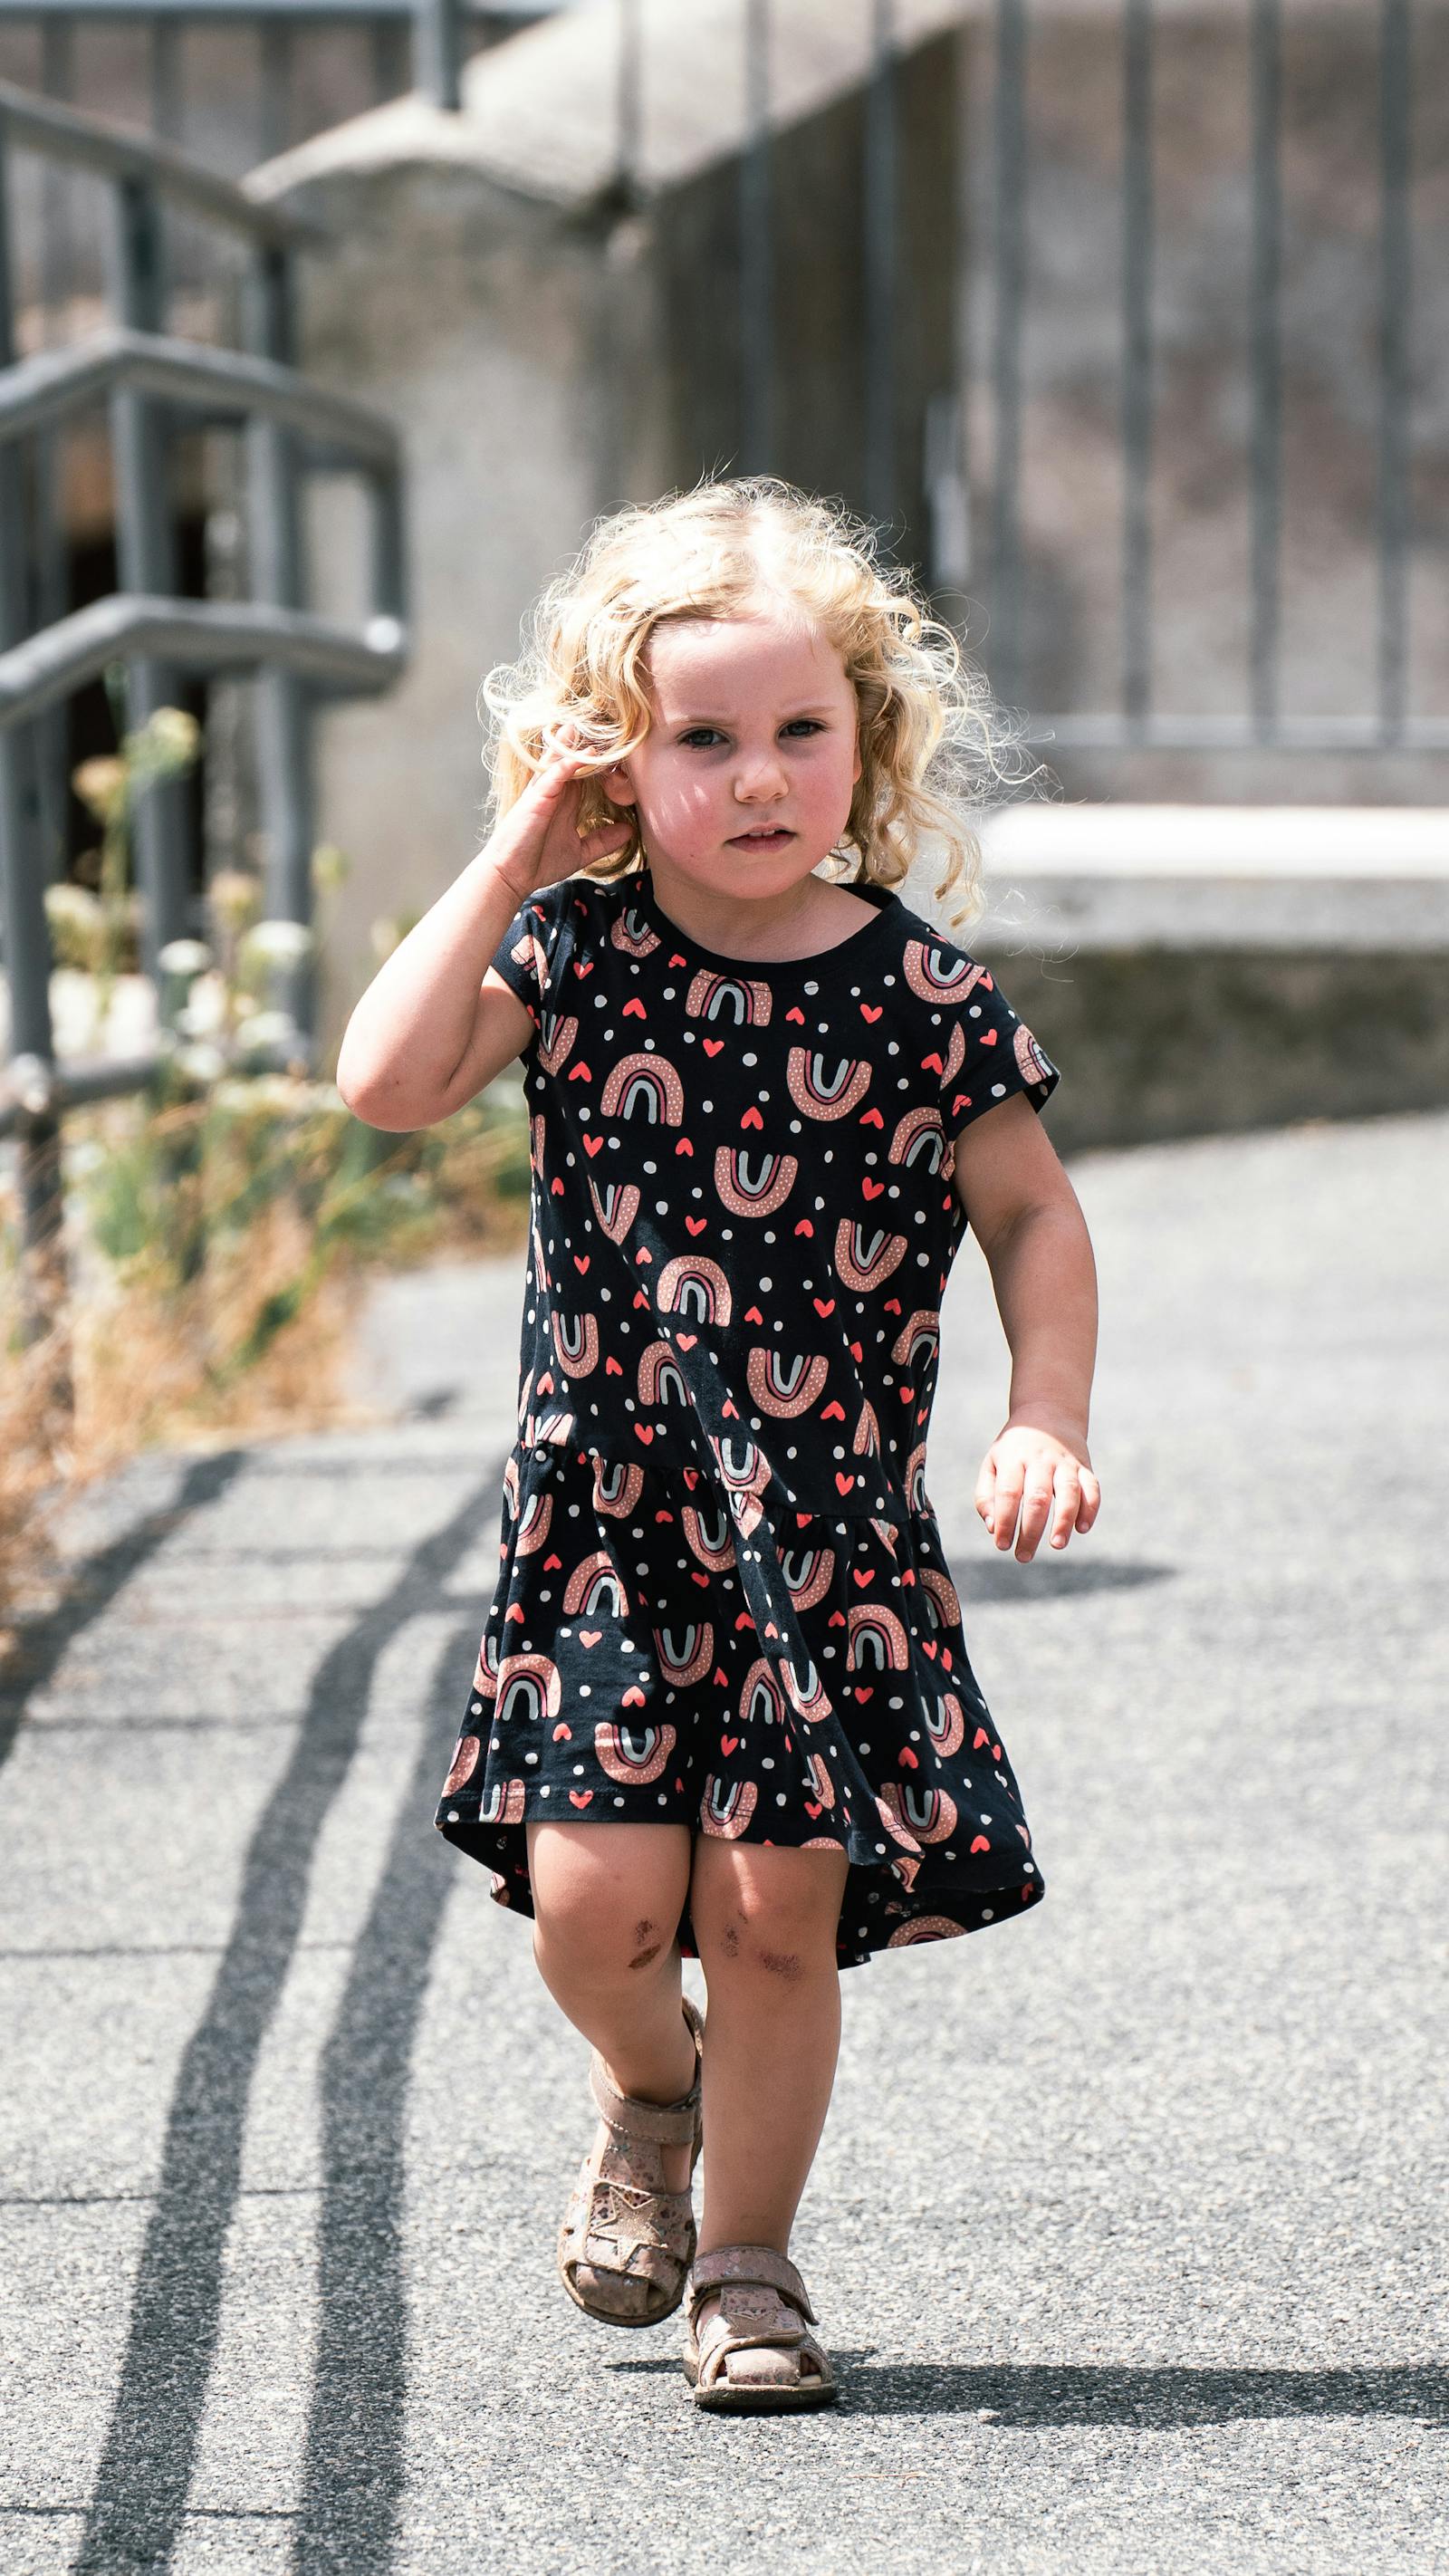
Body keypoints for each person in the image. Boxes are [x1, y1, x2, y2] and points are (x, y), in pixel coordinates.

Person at [336, 476, 1100, 2413]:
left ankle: (749, 2269)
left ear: (866, 743)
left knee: (776, 1921)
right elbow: (385, 1085)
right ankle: (647, 2096)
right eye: (699, 740)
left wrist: (1043, 1415)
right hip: (608, 1532)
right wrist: (519, 844)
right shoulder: (573, 954)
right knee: (599, 1917)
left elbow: (1028, 1215)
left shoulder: (922, 999)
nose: (755, 778)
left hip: (823, 1550)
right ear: (616, 754)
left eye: (797, 734)